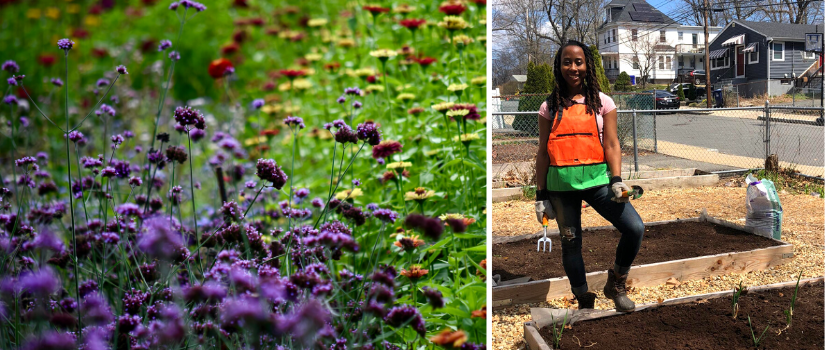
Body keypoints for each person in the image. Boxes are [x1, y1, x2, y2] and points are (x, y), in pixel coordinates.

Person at [533, 40, 645, 313]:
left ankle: (616, 282)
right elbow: (543, 153)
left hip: (597, 182)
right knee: (571, 243)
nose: (573, 67)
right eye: (567, 62)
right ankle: (584, 298)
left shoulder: (603, 102)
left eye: (579, 62)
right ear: (559, 67)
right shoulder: (549, 107)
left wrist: (616, 180)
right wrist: (540, 195)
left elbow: (612, 144)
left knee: (634, 228)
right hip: (560, 188)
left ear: (588, 66)